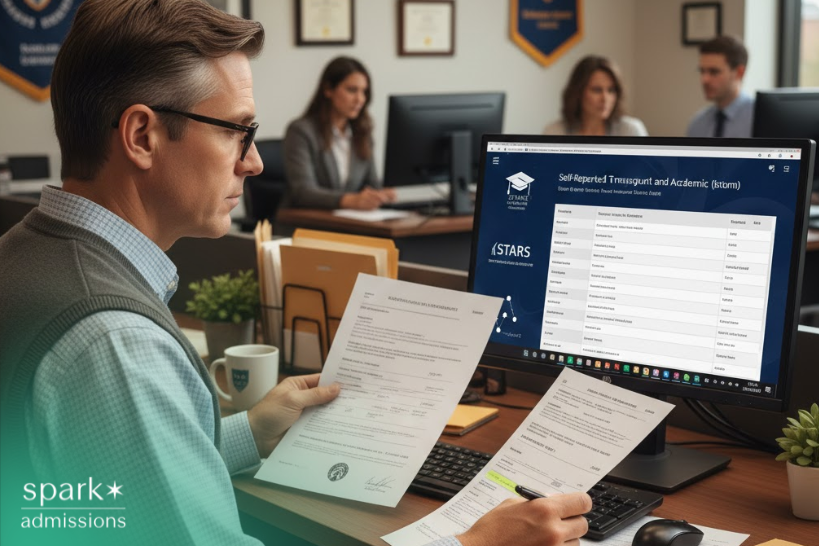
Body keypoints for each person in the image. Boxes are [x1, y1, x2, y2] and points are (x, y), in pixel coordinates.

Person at [0, 2, 590, 545]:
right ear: (142, 135)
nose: (254, 160)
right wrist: (475, 543)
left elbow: (108, 479)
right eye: (237, 130)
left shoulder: (25, 254)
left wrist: (249, 432)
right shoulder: (118, 345)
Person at [281, 56, 395, 210]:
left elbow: (372, 184)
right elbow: (303, 192)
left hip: (349, 222)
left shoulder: (362, 133)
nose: (360, 99)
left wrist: (380, 195)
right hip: (307, 223)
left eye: (364, 91)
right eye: (352, 90)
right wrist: (351, 201)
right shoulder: (301, 131)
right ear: (328, 90)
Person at [544, 55, 648, 137]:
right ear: (578, 93)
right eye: (597, 90)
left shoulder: (630, 130)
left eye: (611, 90)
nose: (605, 99)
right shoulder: (555, 132)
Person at [686, 36, 753, 138]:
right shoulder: (697, 124)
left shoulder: (762, 119)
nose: (704, 80)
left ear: (739, 72)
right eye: (702, 71)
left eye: (714, 72)